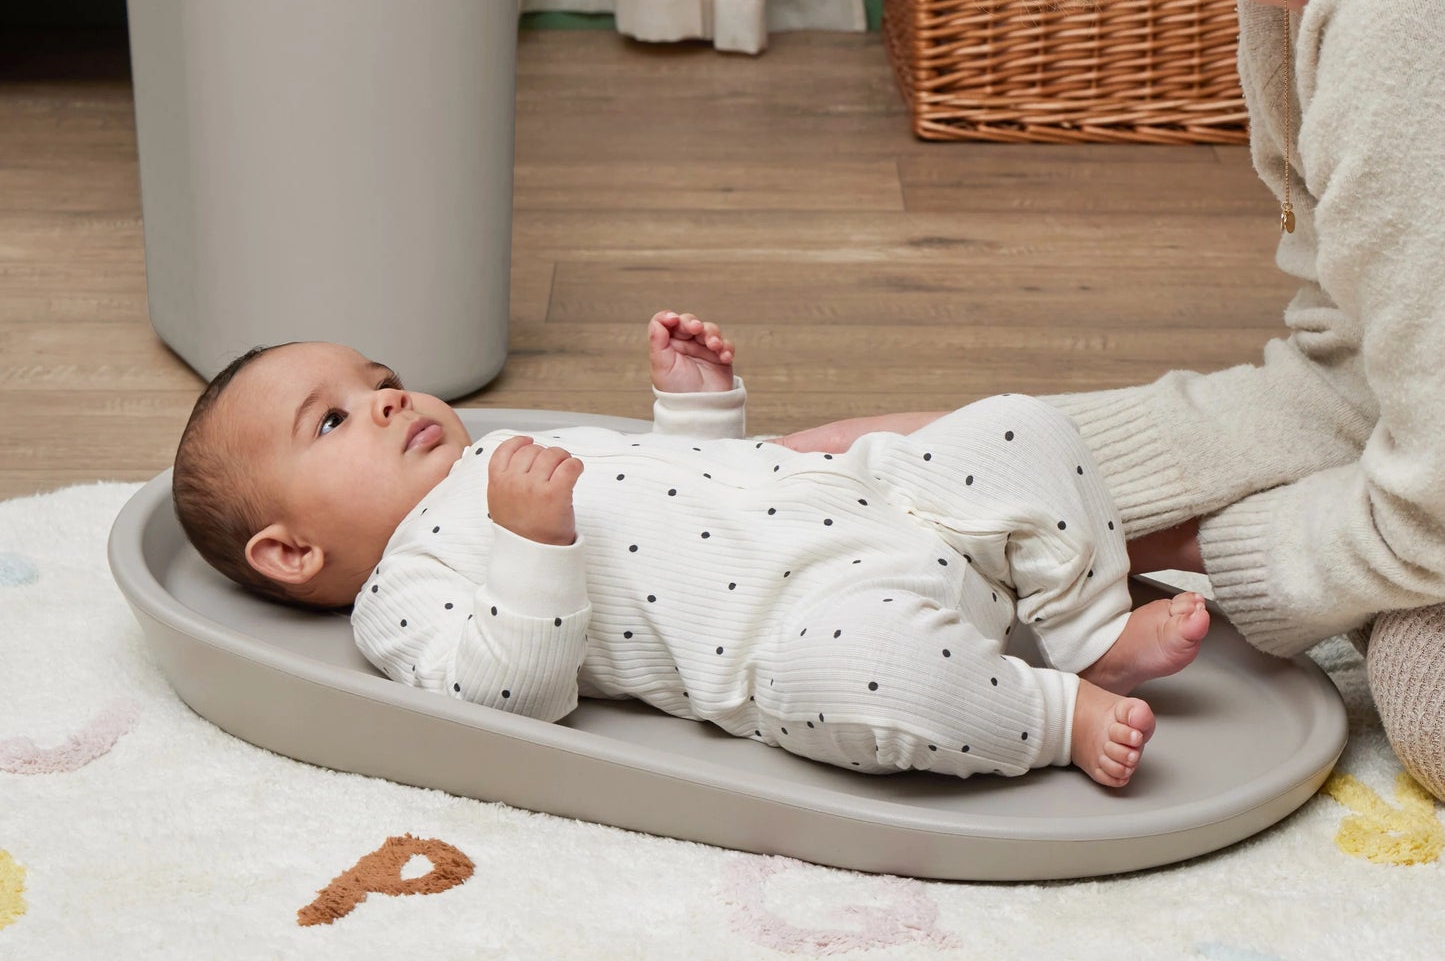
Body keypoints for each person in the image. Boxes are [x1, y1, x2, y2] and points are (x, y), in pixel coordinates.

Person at [795, 0, 1445, 795]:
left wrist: (1175, 550)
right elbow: (1351, 372)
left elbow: (1427, 488)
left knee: (1422, 695)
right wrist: (1006, 447)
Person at [169, 310, 1211, 789]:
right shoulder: (402, 589)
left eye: (376, 372)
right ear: (291, 551)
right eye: (333, 420)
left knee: (1016, 426)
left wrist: (697, 409)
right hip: (812, 622)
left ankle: (1086, 624)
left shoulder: (509, 449)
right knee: (852, 676)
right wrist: (533, 543)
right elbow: (507, 703)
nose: (384, 394)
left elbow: (687, 486)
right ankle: (1049, 711)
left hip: (873, 506)